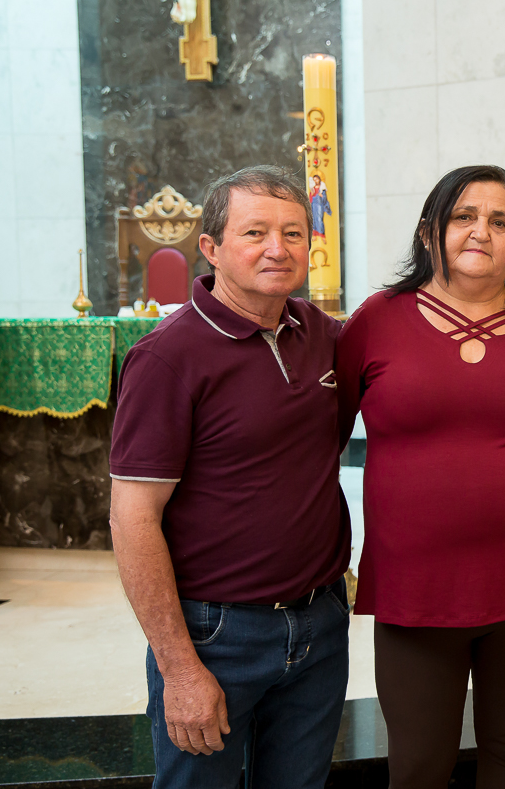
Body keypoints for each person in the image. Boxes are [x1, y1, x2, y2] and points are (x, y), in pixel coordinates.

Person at [335, 165, 505, 788]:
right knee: (417, 766)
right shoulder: (378, 320)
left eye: (500, 221)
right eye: (464, 217)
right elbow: (322, 439)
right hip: (415, 586)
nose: (482, 232)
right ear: (429, 232)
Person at [108, 165, 352, 789]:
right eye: (256, 232)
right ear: (212, 248)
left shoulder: (324, 337)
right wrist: (178, 668)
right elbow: (133, 520)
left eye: (294, 232)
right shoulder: (168, 357)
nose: (278, 248)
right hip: (215, 637)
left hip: (319, 627)